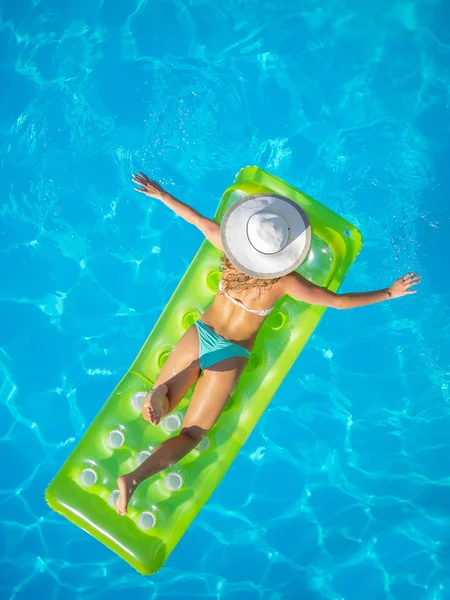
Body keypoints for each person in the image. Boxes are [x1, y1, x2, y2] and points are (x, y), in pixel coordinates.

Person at [116, 172, 421, 515]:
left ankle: (166, 391)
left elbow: (195, 218)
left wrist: (162, 195)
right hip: (231, 351)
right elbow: (336, 302)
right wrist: (388, 293)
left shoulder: (225, 247)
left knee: (166, 404)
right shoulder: (285, 282)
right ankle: (134, 479)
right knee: (190, 436)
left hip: (200, 332)